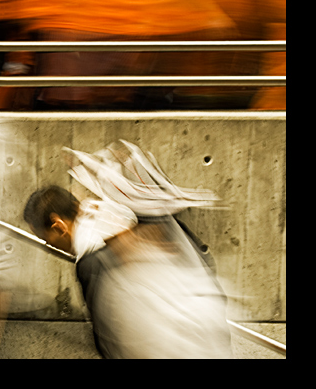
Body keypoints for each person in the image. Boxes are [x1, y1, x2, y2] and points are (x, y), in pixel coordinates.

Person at [22, 141, 231, 359]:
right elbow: (203, 260)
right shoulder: (125, 213)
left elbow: (108, 336)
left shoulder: (91, 260)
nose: (49, 246)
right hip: (205, 325)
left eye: (46, 239)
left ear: (58, 225)